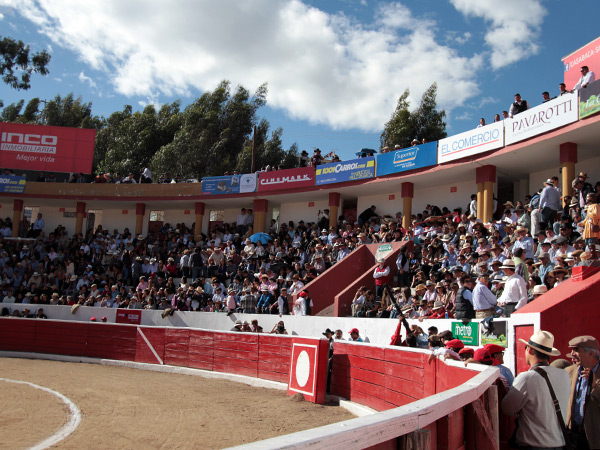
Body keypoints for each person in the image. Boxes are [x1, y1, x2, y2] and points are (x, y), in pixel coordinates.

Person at [501, 330, 571, 450]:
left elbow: (507, 408)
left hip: (533, 445)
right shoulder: (564, 375)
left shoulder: (527, 378)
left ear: (530, 350)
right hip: (559, 444)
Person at [566, 335, 600, 449]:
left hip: (593, 437)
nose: (572, 353)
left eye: (576, 350)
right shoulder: (570, 371)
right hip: (572, 434)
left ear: (591, 353)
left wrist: (595, 386)